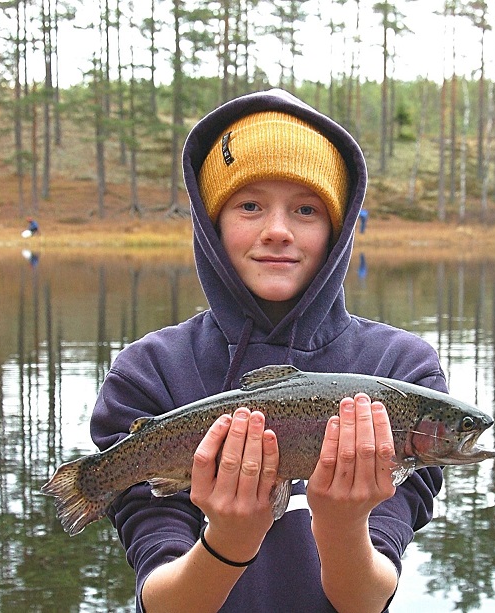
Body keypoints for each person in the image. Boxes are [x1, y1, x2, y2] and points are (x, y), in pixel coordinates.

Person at [90, 88, 447, 613]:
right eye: (250, 205)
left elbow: (366, 600)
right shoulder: (150, 373)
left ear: (338, 229)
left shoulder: (402, 375)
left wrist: (342, 525)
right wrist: (229, 540)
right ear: (212, 224)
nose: (277, 231)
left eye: (306, 209)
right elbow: (162, 603)